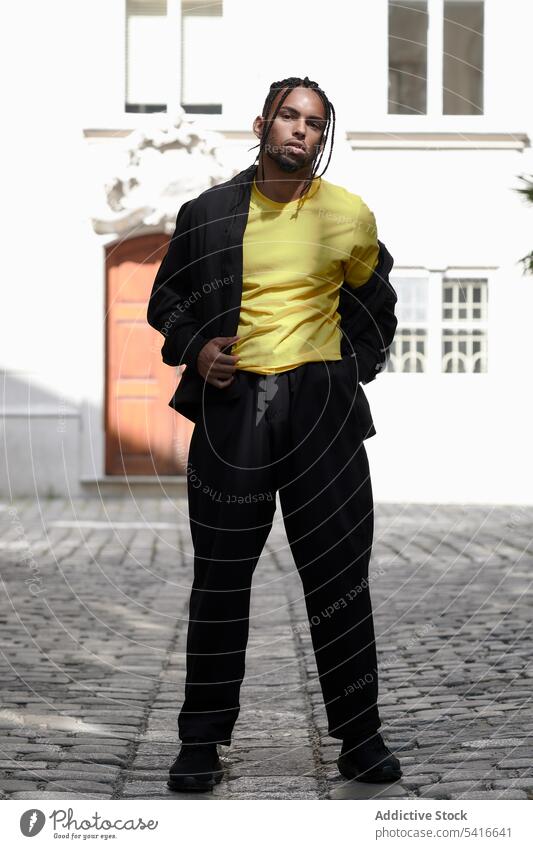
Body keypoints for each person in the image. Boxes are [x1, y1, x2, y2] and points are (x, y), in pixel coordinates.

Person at [147, 76, 401, 793]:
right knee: (221, 577)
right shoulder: (207, 214)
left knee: (338, 579)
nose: (300, 130)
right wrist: (197, 347)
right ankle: (199, 741)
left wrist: (353, 368)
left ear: (323, 137)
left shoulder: (348, 215)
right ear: (262, 124)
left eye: (314, 123)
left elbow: (376, 297)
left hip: (320, 404)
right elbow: (167, 299)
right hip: (236, 409)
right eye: (288, 117)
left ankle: (360, 738)